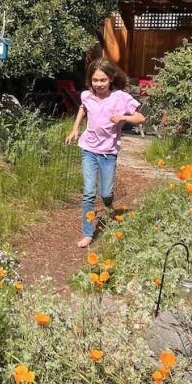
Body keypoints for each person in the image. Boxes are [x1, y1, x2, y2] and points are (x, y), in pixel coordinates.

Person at [65, 59, 145, 248]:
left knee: (106, 193)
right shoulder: (87, 96)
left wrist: (124, 117)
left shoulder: (121, 97)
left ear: (110, 79)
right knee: (89, 192)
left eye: (103, 80)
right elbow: (82, 108)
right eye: (95, 80)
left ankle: (109, 206)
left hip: (109, 152)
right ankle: (87, 233)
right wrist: (75, 129)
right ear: (89, 80)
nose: (98, 84)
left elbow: (141, 117)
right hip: (89, 149)